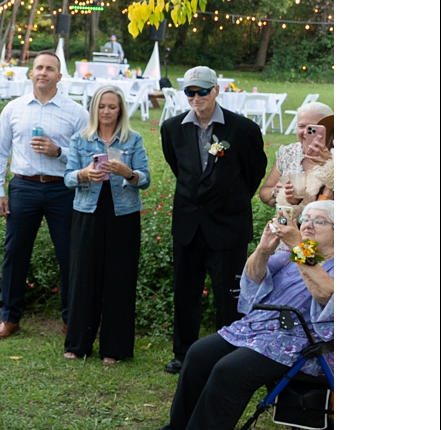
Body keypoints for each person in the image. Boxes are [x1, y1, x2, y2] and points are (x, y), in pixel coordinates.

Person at [145, 202, 334, 430]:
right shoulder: (291, 254)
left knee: (230, 370)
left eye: (320, 221)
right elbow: (254, 277)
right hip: (260, 327)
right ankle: (178, 428)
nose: (309, 225)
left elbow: (327, 295)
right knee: (199, 353)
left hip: (302, 341)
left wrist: (298, 246)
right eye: (306, 219)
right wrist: (264, 249)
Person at [157, 64, 269, 373]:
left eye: (203, 91)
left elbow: (254, 172)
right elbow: (180, 169)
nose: (196, 98)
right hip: (188, 225)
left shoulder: (242, 129)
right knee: (185, 292)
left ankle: (227, 354)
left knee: (229, 296)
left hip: (228, 226)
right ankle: (183, 354)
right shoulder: (172, 128)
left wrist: (228, 198)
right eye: (190, 92)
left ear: (216, 90)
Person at [0, 52, 89, 342]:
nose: (43, 72)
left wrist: (60, 152)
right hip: (24, 186)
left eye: (50, 69)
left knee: (69, 254)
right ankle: (9, 318)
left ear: (59, 76)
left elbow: (87, 155)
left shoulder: (76, 113)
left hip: (63, 188)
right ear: (31, 73)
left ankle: (71, 319)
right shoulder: (14, 109)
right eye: (39, 68)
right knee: (15, 253)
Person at [62, 85, 151, 366]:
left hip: (123, 214)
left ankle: (114, 346)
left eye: (112, 107)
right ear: (94, 109)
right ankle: (78, 343)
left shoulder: (133, 139)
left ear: (120, 109)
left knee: (119, 278)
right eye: (101, 106)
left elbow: (145, 179)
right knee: (83, 276)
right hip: (87, 212)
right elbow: (67, 177)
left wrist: (128, 173)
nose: (106, 111)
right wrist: (84, 174)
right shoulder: (81, 139)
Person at [261, 103, 333, 223]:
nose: (305, 132)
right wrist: (276, 192)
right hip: (286, 226)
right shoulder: (288, 153)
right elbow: (264, 193)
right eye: (301, 126)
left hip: (323, 230)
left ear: (327, 129)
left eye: (312, 128)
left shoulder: (334, 157)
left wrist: (330, 165)